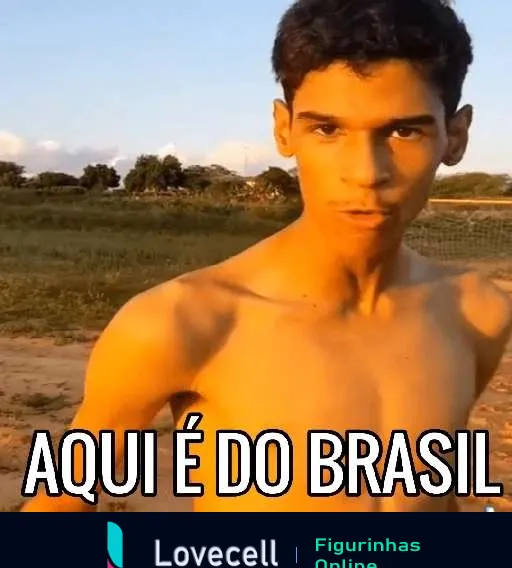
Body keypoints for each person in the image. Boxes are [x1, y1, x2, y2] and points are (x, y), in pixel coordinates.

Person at [22, 0, 512, 513]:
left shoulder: (477, 313)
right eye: (327, 129)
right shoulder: (180, 323)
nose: (367, 172)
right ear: (284, 130)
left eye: (403, 130)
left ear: (454, 136)